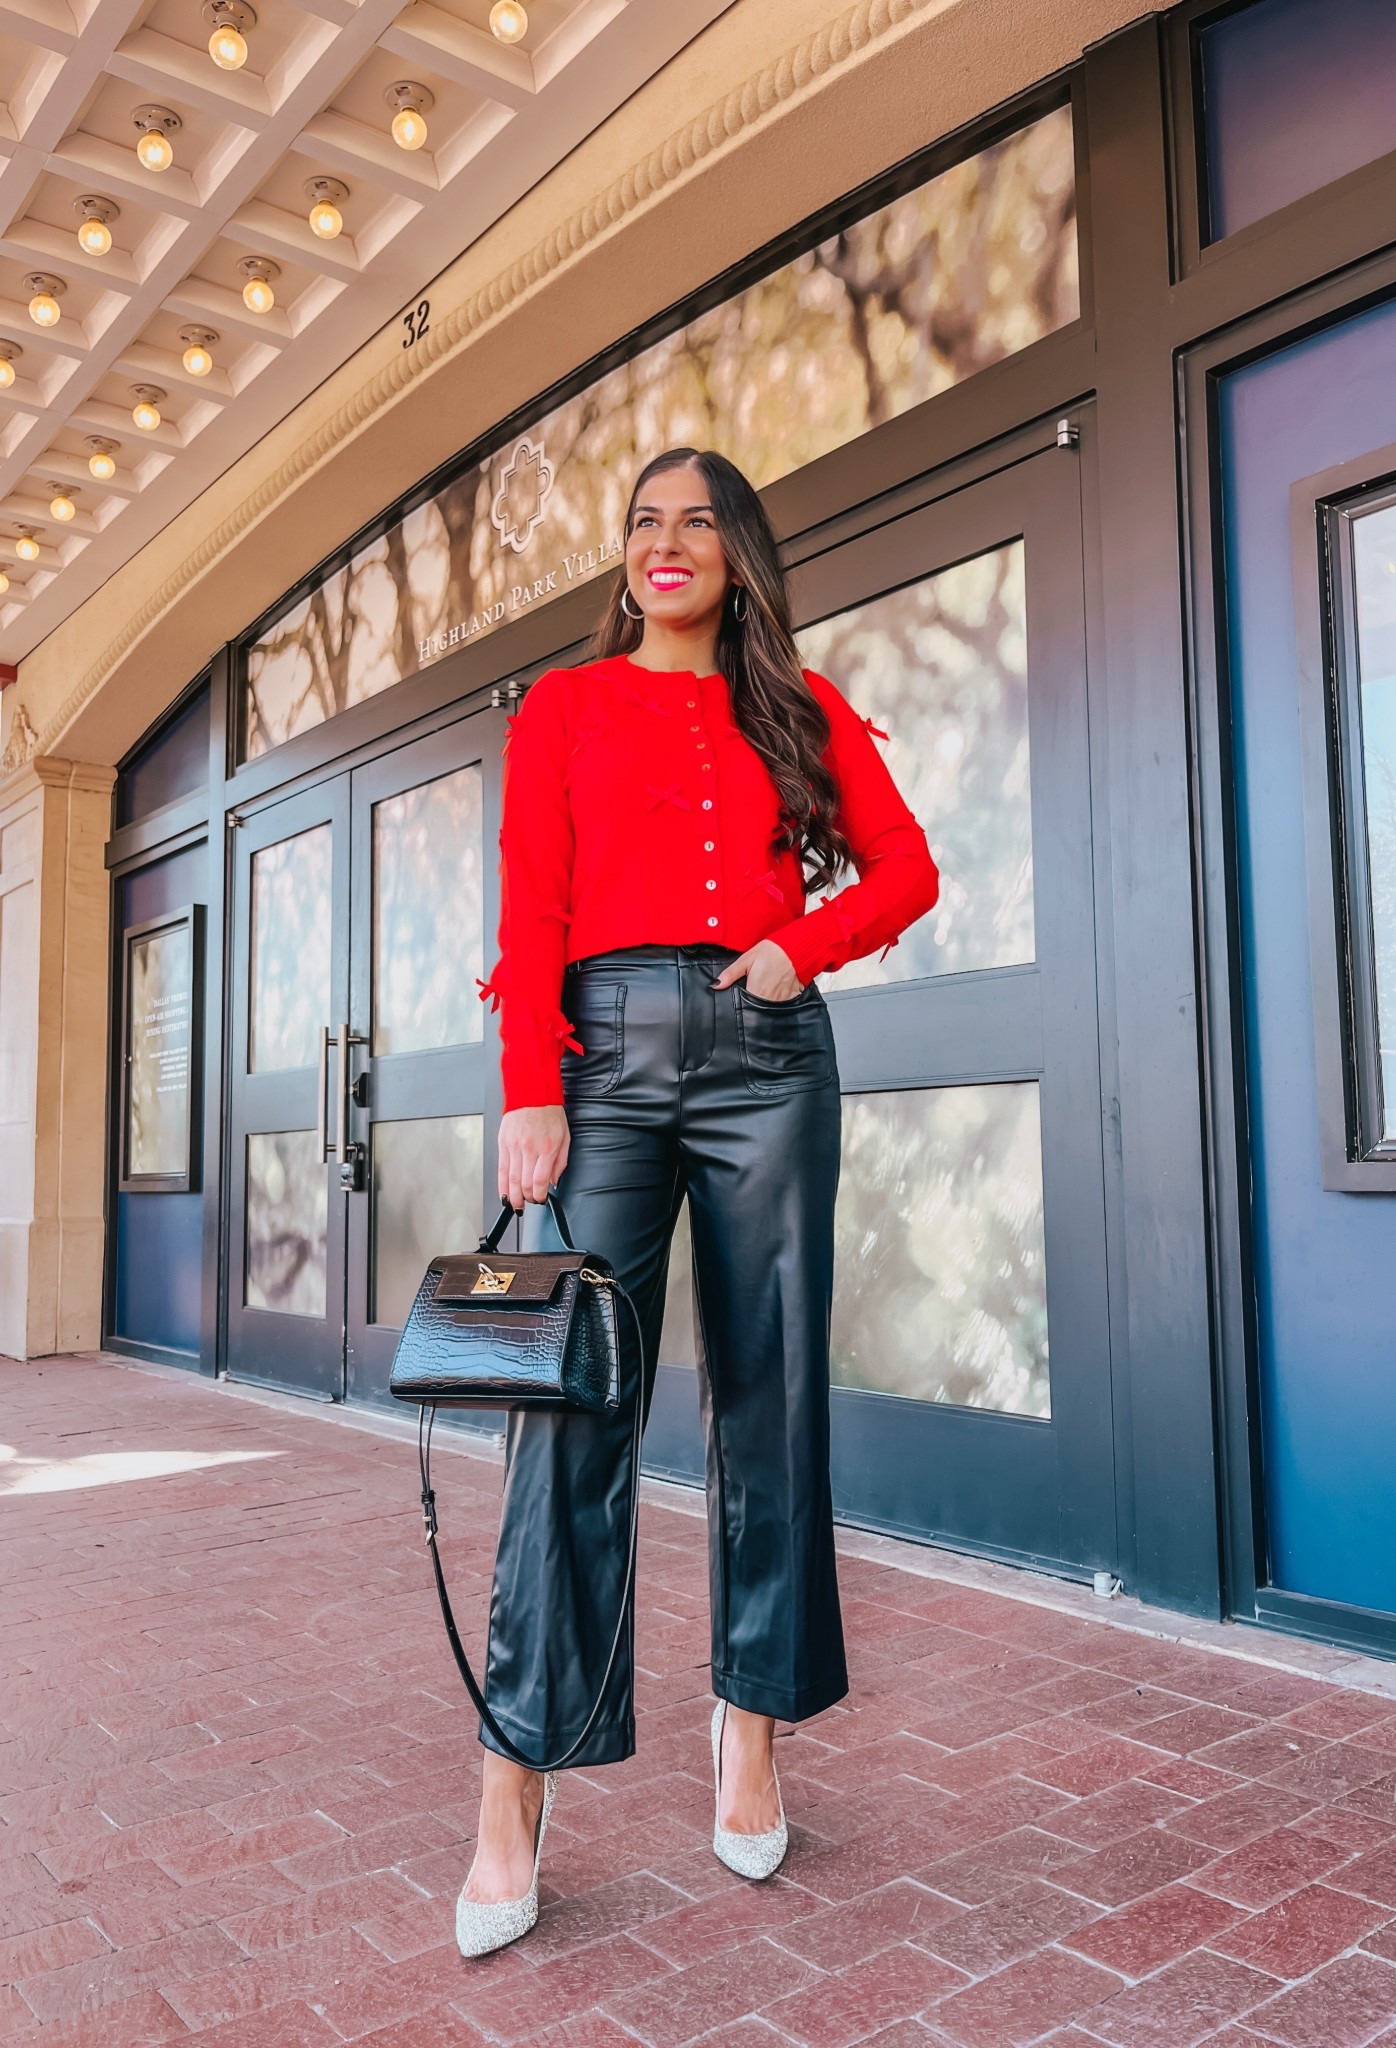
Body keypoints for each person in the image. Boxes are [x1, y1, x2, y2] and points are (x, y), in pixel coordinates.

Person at [457, 446, 939, 1957]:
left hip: (766, 1063)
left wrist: (809, 945)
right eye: (645, 521)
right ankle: (512, 1781)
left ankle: (753, 1728)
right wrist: (528, 1083)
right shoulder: (564, 707)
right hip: (601, 1065)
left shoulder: (798, 709)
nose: (669, 543)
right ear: (624, 560)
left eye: (699, 522)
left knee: (770, 1397)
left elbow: (908, 868)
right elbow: (531, 903)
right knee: (571, 1412)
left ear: (740, 556)